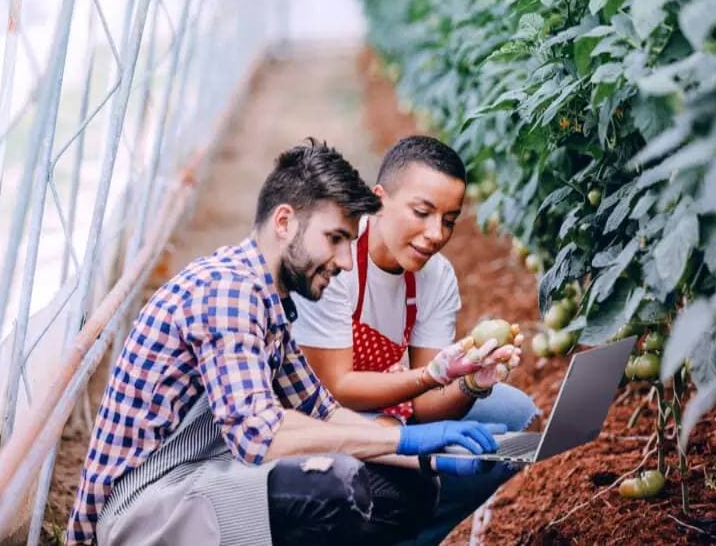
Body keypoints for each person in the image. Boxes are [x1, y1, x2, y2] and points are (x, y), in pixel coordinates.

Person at [66, 138, 519, 546]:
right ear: (285, 222)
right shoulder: (229, 292)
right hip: (141, 507)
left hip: (194, 478)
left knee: (405, 486)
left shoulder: (271, 304)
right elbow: (260, 436)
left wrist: (427, 458)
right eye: (336, 239)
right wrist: (406, 441)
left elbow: (323, 410)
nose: (345, 260)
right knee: (331, 487)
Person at [291, 135, 541, 545]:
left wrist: (471, 383)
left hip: (394, 389)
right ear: (378, 200)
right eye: (421, 212)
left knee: (516, 417)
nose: (435, 233)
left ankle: (416, 534)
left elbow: (426, 409)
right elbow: (335, 389)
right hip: (324, 409)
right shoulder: (337, 261)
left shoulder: (435, 277)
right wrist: (431, 375)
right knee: (403, 445)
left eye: (448, 219)